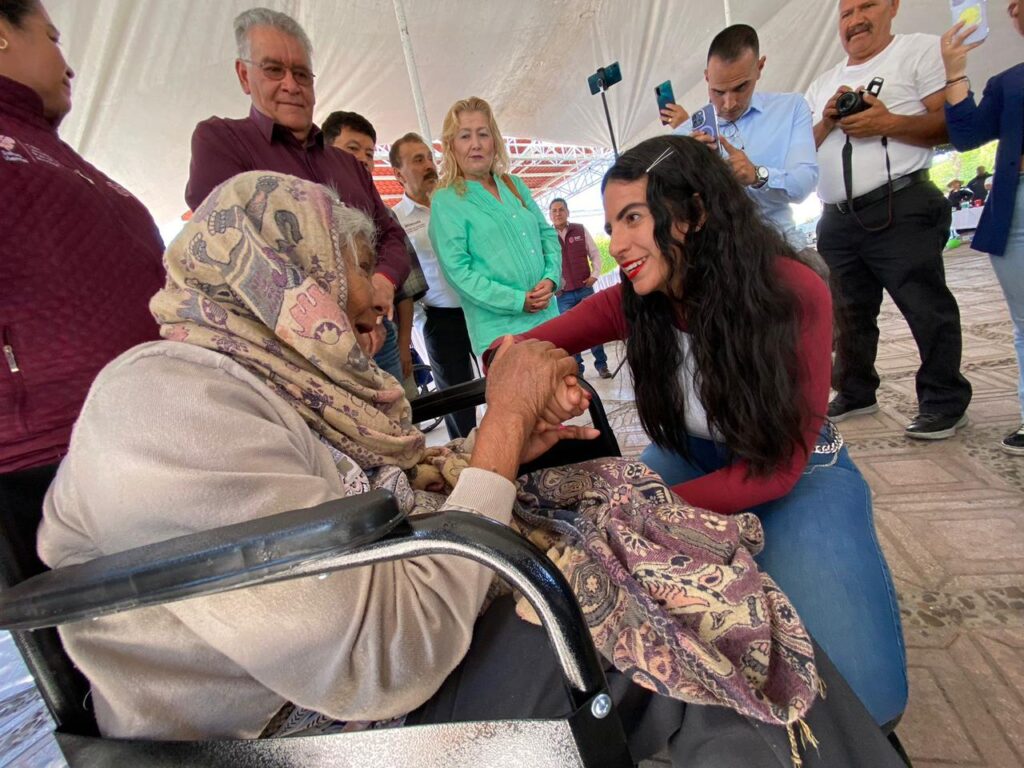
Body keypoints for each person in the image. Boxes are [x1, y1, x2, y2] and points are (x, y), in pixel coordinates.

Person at [36, 171, 908, 768]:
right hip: (296, 717)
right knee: (661, 646)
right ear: (282, 275)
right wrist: (503, 428)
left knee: (661, 554)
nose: (381, 297)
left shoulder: (265, 377)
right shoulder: (170, 404)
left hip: (369, 641)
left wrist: (503, 444)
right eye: (355, 274)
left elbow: (358, 505)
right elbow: (380, 657)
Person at [500, 135, 908, 728]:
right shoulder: (636, 300)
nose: (617, 245)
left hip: (794, 472)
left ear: (692, 213)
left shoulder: (794, 292)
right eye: (612, 224)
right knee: (642, 621)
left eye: (633, 218)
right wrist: (523, 370)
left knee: (870, 695)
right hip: (691, 458)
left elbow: (776, 470)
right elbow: (522, 349)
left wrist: (642, 511)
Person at [0, 0, 164, 474]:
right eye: (52, 39)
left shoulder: (49, 149)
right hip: (44, 450)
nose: (67, 65)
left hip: (130, 428)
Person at [806, 0, 972, 439]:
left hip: (902, 202)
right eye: (846, 13)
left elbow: (949, 125)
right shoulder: (823, 81)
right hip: (837, 216)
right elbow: (800, 151)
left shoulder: (918, 51)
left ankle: (943, 400)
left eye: (867, 6)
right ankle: (856, 390)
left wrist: (888, 122)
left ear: (893, 7)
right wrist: (825, 122)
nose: (855, 19)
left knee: (925, 306)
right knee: (848, 313)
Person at [183, 7, 409, 315]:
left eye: (301, 73)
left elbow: (392, 235)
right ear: (244, 75)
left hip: (374, 330)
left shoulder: (348, 164)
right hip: (286, 342)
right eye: (274, 69)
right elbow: (232, 246)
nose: (291, 85)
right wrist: (347, 305)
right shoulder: (222, 141)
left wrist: (382, 282)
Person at [942, 3, 1024, 454]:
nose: (1011, 7)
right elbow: (968, 134)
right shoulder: (1009, 82)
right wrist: (955, 72)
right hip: (1016, 203)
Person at [662, 24, 819, 252]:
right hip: (719, 262)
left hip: (783, 249)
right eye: (718, 92)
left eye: (740, 87)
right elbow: (670, 215)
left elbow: (803, 183)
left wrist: (758, 175)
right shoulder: (682, 137)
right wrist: (692, 171)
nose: (729, 103)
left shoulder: (791, 108)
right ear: (706, 78)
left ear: (759, 68)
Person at [429, 97, 562, 355]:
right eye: (465, 136)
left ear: (495, 141)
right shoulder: (445, 201)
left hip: (550, 319)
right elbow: (459, 273)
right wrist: (517, 301)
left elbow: (547, 235)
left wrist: (551, 278)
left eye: (483, 134)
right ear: (451, 146)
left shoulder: (513, 184)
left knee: (568, 392)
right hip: (502, 335)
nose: (476, 144)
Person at [322, 110, 427, 396]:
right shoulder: (310, 209)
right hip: (331, 340)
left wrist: (404, 344)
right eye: (351, 149)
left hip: (383, 335)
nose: (362, 160)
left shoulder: (383, 215)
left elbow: (405, 291)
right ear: (325, 151)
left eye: (369, 153)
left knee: (401, 416)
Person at [391, 131, 478, 438]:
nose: (429, 165)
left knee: (506, 383)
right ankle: (468, 465)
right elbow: (403, 281)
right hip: (441, 320)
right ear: (398, 173)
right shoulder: (397, 220)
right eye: (418, 160)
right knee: (458, 403)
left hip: (481, 309)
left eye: (429, 157)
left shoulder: (455, 204)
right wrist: (419, 323)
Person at [549, 198, 612, 378]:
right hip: (563, 295)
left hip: (585, 289)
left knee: (594, 328)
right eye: (554, 211)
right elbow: (545, 264)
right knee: (571, 334)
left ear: (567, 212)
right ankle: (578, 371)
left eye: (561, 209)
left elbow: (595, 254)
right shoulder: (547, 237)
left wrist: (595, 275)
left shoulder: (580, 229)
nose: (558, 213)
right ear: (550, 215)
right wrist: (554, 287)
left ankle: (602, 366)